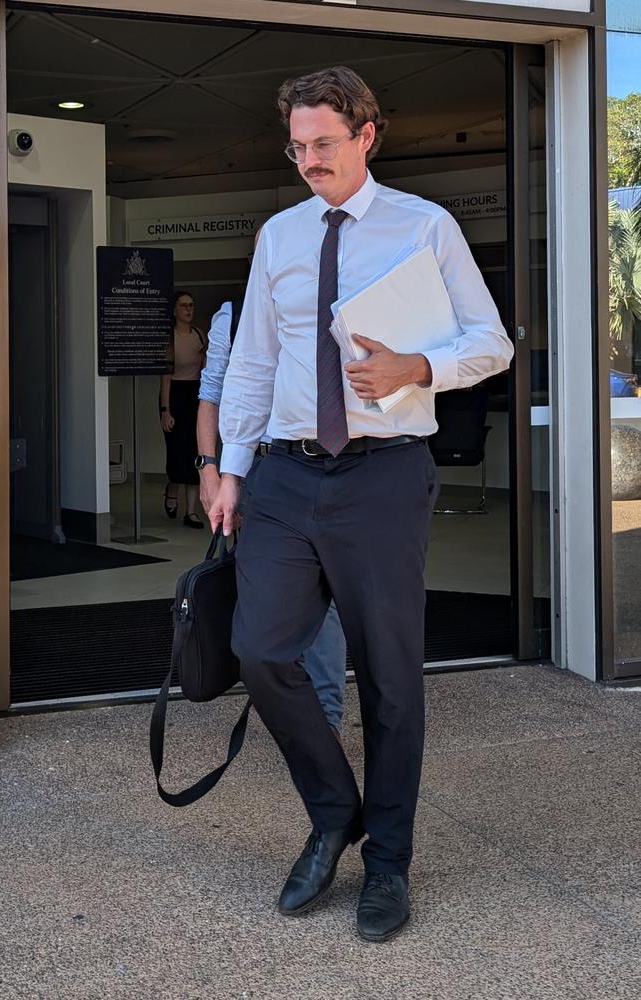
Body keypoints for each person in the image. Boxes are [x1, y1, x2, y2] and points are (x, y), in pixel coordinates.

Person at [209, 66, 514, 943]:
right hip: (285, 475)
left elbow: (489, 341)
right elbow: (258, 362)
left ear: (367, 133)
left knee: (388, 676)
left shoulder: (426, 227)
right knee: (260, 650)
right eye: (298, 146)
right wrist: (231, 468)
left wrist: (416, 369)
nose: (309, 160)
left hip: (383, 474)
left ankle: (387, 864)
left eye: (324, 144)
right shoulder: (279, 234)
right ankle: (334, 808)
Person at [196, 292, 348, 737]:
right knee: (265, 591)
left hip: (328, 462)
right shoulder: (233, 314)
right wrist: (211, 470)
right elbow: (212, 395)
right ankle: (284, 698)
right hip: (258, 467)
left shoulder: (332, 302)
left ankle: (325, 719)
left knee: (325, 593)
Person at [160, 291, 206, 529]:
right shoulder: (170, 338)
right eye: (184, 305)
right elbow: (166, 377)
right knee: (177, 451)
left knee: (195, 450)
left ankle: (191, 512)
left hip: (195, 394)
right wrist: (165, 410)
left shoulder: (199, 335)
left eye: (191, 305)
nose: (189, 309)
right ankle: (172, 488)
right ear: (175, 310)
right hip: (175, 395)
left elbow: (205, 369)